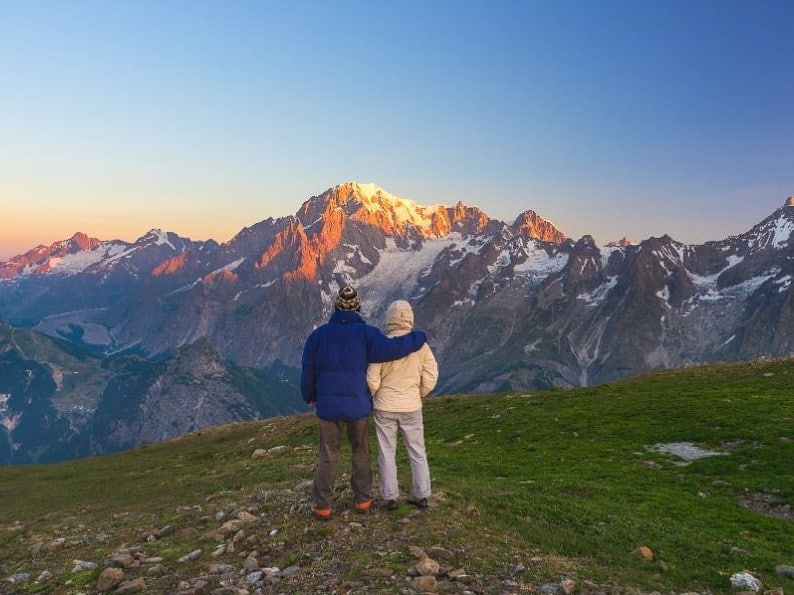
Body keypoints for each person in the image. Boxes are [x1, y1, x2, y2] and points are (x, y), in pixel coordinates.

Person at [301, 286, 427, 520]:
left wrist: (309, 396)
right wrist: (419, 337)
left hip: (327, 407)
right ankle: (363, 500)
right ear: (357, 307)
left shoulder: (317, 336)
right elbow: (394, 349)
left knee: (328, 454)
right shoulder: (367, 334)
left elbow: (308, 370)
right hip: (357, 405)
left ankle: (323, 506)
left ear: (336, 306)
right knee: (360, 450)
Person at [366, 299, 438, 511]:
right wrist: (420, 393)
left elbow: (372, 378)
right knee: (417, 450)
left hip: (385, 406)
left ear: (389, 319)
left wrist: (377, 393)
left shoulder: (381, 345)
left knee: (387, 451)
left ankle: (389, 497)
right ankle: (422, 494)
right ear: (410, 319)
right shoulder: (422, 347)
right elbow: (431, 375)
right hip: (411, 406)